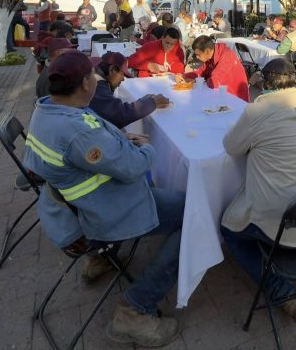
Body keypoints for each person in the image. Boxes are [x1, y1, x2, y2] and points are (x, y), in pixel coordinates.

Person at [23, 51, 185, 346]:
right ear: (86, 84)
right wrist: (146, 148)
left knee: (169, 198)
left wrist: (120, 141)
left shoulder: (46, 109)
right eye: (93, 77)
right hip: (98, 215)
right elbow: (133, 166)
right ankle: (135, 309)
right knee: (193, 215)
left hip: (69, 211)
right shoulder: (77, 131)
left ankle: (100, 260)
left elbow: (91, 143)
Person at [221, 58, 296, 320]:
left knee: (229, 229)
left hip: (285, 222)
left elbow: (231, 147)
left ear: (266, 83)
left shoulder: (257, 110)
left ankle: (280, 290)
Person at [89, 51, 171, 128]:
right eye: (122, 74)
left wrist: (143, 101)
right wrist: (153, 102)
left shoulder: (96, 78)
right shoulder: (96, 85)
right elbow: (118, 115)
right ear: (112, 69)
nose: (123, 79)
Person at [189, 35, 249, 101]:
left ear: (207, 52)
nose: (196, 57)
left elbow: (214, 82)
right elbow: (201, 72)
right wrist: (184, 76)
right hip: (222, 94)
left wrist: (197, 80)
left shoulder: (226, 56)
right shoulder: (211, 56)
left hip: (236, 98)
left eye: (198, 55)